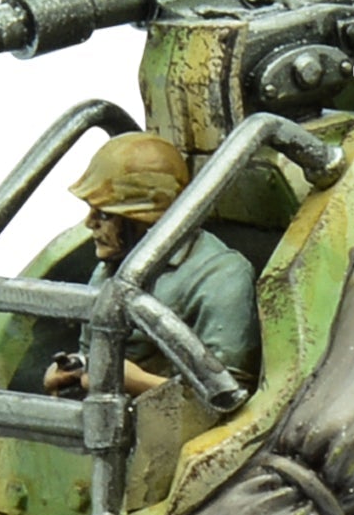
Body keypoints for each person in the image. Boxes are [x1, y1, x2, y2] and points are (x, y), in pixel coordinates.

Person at [43, 133, 259, 398]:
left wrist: (134, 381)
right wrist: (74, 368)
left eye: (105, 215)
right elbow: (91, 347)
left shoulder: (222, 276)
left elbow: (230, 397)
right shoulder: (113, 266)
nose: (90, 224)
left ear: (142, 218)